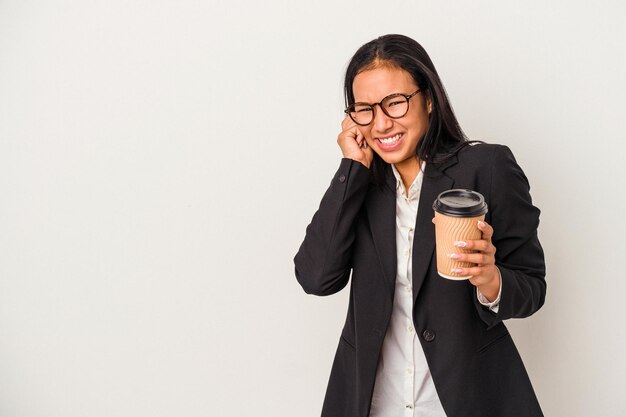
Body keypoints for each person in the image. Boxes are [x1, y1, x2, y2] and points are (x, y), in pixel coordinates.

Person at [293, 34, 546, 417]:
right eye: (364, 109)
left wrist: (491, 280)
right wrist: (351, 167)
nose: (381, 123)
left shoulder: (486, 168)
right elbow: (316, 277)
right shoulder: (362, 186)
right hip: (375, 405)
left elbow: (531, 286)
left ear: (427, 98)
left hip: (465, 401)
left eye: (394, 103)